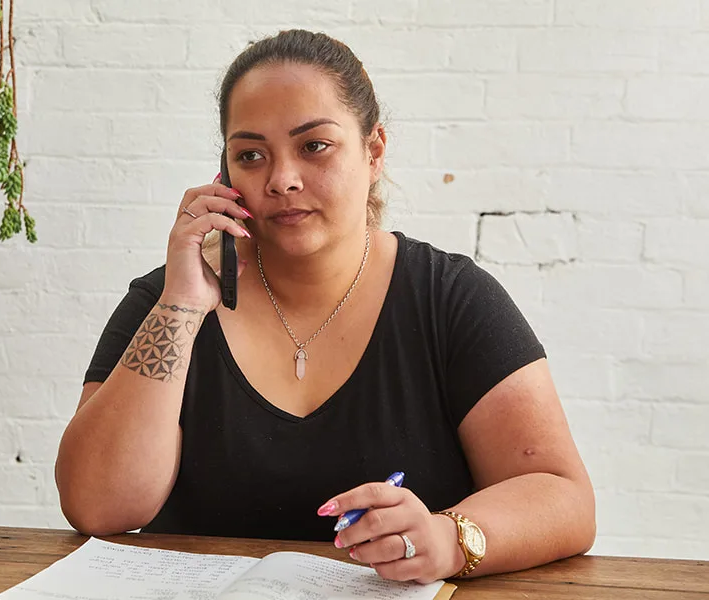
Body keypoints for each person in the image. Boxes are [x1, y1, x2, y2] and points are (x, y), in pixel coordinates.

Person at [55, 29, 596, 583]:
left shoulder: (448, 297)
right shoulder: (167, 301)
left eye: (314, 146)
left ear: (374, 150)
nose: (282, 179)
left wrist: (450, 536)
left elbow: (563, 497)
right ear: (225, 176)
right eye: (251, 155)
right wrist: (183, 304)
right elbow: (98, 507)